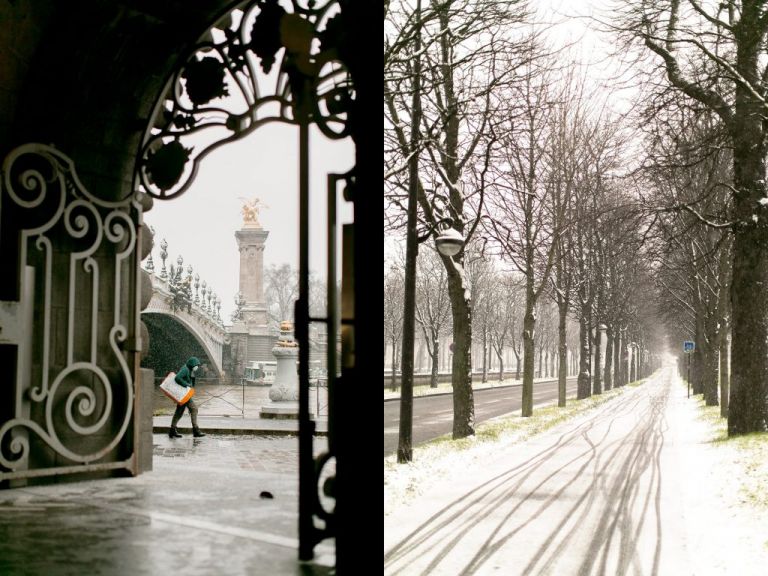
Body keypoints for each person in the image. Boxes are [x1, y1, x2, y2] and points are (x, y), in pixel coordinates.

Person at [169, 356, 206, 438]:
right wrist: (187, 385)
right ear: (192, 364)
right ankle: (196, 430)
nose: (197, 367)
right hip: (183, 394)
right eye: (196, 365)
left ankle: (172, 430)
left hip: (184, 394)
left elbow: (189, 381)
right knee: (194, 409)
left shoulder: (189, 369)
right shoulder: (185, 369)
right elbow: (177, 378)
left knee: (179, 412)